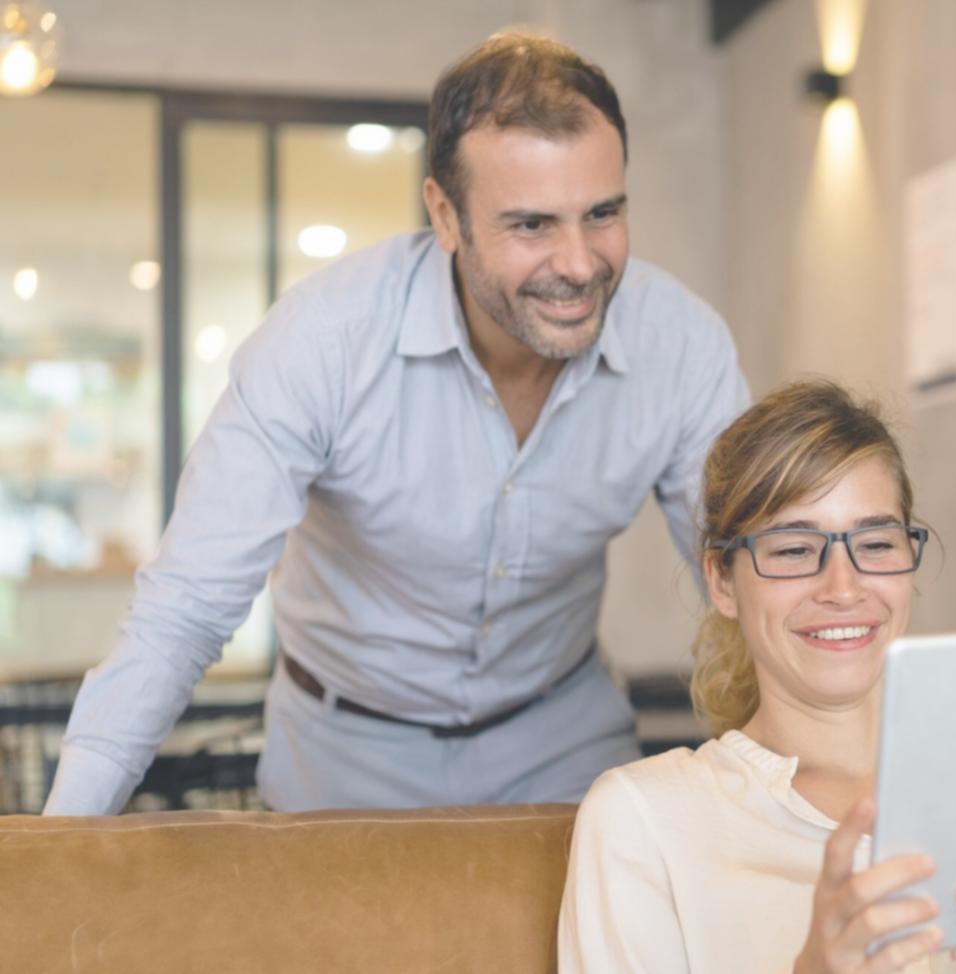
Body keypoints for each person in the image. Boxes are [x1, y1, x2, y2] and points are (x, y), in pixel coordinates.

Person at [44, 33, 749, 815]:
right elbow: (184, 610)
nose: (580, 264)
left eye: (603, 213)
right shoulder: (324, 341)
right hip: (342, 751)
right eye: (531, 225)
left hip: (560, 738)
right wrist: (59, 849)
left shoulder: (681, 343)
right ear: (445, 216)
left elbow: (751, 584)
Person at [558, 381, 956, 974]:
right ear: (721, 581)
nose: (843, 588)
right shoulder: (644, 820)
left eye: (874, 543)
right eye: (793, 549)